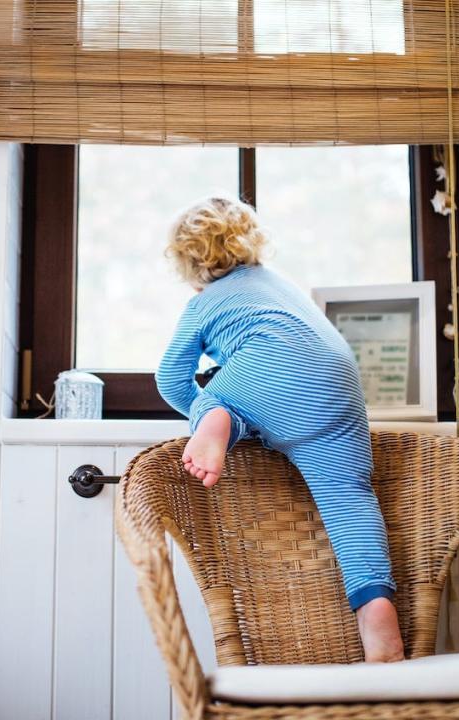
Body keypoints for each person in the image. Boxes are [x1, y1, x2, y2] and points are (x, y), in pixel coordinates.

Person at [154, 194, 405, 663]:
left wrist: (205, 408)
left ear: (186, 263)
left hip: (267, 372)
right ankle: (377, 616)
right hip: (337, 385)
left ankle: (220, 419)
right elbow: (301, 346)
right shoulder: (282, 287)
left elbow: (169, 377)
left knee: (222, 401)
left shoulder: (205, 302)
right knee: (350, 501)